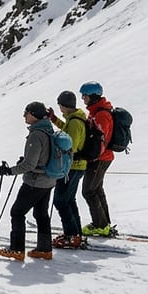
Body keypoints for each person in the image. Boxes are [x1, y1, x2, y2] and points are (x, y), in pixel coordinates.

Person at [0, 102, 56, 262]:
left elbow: (29, 165)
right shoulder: (48, 129)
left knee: (17, 212)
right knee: (41, 214)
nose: (24, 115)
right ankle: (45, 250)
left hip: (34, 181)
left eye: (27, 113)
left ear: (34, 115)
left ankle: (17, 250)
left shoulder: (36, 134)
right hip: (49, 180)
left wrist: (10, 171)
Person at [48, 91, 87, 248]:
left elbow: (72, 145)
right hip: (77, 166)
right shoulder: (75, 119)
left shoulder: (75, 122)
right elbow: (67, 130)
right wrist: (54, 119)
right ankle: (76, 234)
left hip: (71, 167)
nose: (60, 109)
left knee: (61, 200)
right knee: (69, 200)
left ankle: (71, 236)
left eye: (60, 106)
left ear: (63, 105)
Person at [79, 81, 116, 237]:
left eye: (85, 96)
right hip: (101, 157)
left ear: (93, 96)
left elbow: (101, 140)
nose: (83, 99)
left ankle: (100, 225)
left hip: (99, 158)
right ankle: (104, 223)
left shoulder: (102, 115)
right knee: (97, 190)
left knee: (88, 191)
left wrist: (91, 157)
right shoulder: (96, 112)